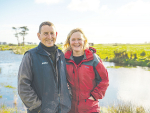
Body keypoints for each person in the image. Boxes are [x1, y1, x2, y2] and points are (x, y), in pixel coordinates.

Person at [18, 21, 71, 113]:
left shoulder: (61, 54)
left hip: (62, 110)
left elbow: (64, 80)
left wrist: (68, 98)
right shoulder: (30, 55)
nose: (49, 37)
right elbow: (23, 85)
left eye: (52, 33)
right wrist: (37, 107)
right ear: (39, 36)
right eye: (45, 34)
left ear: (56, 34)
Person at [63, 28, 109, 113]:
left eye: (79, 39)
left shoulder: (93, 59)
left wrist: (93, 97)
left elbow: (104, 80)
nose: (76, 42)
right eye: (73, 39)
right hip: (69, 108)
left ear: (84, 41)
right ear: (69, 42)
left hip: (90, 108)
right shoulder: (64, 59)